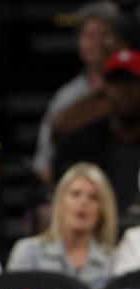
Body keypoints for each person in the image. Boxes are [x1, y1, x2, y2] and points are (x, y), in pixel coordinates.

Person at [32, 2, 125, 182]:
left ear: (119, 40)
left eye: (106, 34)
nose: (98, 43)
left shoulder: (133, 88)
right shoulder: (66, 97)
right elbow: (43, 163)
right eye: (89, 35)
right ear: (78, 43)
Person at [7, 162, 117, 289]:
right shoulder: (28, 252)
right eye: (75, 194)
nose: (83, 202)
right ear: (60, 202)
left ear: (102, 211)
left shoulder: (113, 260)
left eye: (93, 198)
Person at [53, 49, 140, 211]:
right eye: (117, 82)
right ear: (105, 88)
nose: (126, 90)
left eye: (134, 82)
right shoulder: (80, 145)